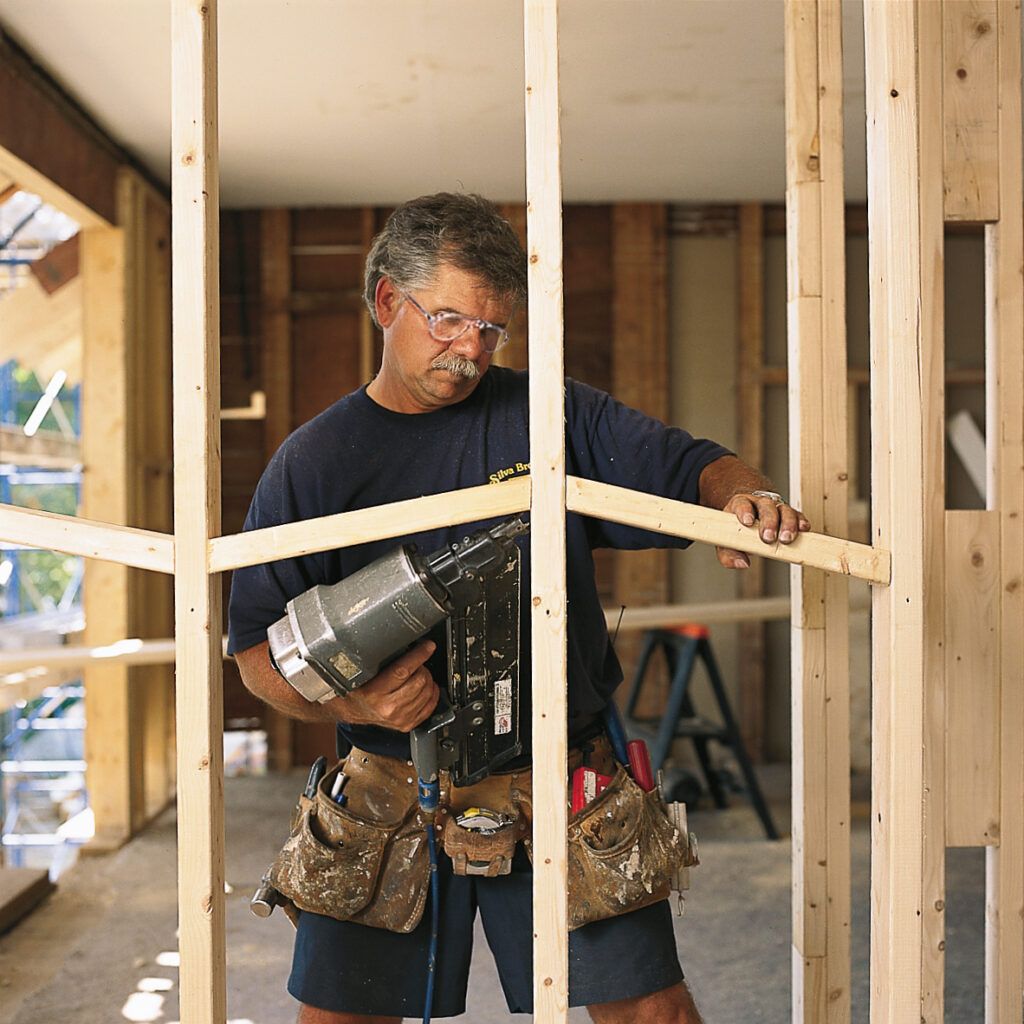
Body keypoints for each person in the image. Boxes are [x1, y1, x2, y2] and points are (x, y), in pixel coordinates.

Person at [229, 193, 809, 1024]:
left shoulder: (548, 417)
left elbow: (693, 466)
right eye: (450, 321)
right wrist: (354, 702)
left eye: (492, 331)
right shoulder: (313, 466)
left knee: (656, 1015)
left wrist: (743, 496)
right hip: (391, 791)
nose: (471, 351)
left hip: (562, 781)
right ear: (389, 301)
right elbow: (256, 652)